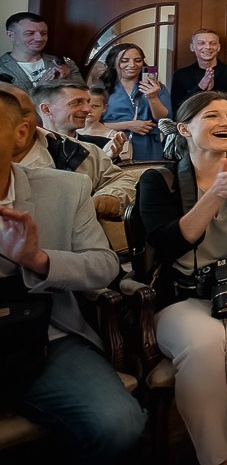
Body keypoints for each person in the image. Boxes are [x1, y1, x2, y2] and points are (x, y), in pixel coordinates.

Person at [138, 91, 227, 465]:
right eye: (212, 115)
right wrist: (215, 195)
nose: (226, 122)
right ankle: (214, 456)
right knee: (203, 350)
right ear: (184, 129)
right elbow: (167, 243)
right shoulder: (159, 180)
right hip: (183, 292)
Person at [0, 90, 146, 463]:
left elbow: (104, 265)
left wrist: (38, 259)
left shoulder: (63, 187)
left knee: (119, 423)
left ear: (21, 133)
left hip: (44, 337)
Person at [22, 80, 136, 218]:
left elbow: (120, 179)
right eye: (76, 103)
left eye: (88, 102)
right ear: (46, 109)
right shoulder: (22, 149)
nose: (87, 109)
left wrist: (110, 195)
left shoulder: (90, 150)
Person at [98, 42, 171, 161]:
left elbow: (164, 119)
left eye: (138, 60)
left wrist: (152, 98)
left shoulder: (157, 88)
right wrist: (128, 125)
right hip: (112, 146)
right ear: (113, 63)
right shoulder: (100, 90)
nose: (132, 65)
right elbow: (91, 124)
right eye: (124, 61)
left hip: (149, 148)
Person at [1, 11, 83, 93]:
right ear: (11, 35)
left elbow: (84, 95)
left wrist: (63, 81)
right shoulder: (2, 69)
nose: (39, 38)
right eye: (30, 33)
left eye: (43, 33)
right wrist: (41, 88)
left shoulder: (65, 64)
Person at [171, 29, 227, 113]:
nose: (208, 47)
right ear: (192, 47)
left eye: (213, 43)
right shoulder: (181, 75)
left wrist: (214, 90)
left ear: (218, 47)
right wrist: (200, 87)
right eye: (201, 43)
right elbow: (177, 108)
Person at [80, 86, 127, 161]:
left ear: (105, 108)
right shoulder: (70, 131)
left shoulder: (113, 136)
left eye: (95, 106)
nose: (89, 110)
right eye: (86, 105)